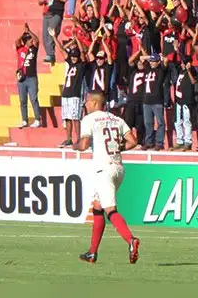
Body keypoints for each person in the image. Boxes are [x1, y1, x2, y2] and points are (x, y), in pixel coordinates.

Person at [73, 91, 140, 265]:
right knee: (97, 206)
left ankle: (131, 240)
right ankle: (92, 253)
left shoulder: (89, 120)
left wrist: (74, 145)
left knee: (110, 210)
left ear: (95, 103)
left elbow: (84, 144)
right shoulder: (117, 119)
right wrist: (118, 149)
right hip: (118, 168)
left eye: (87, 102)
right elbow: (133, 141)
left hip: (104, 170)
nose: (85, 105)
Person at [14, 25, 40, 129]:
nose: (31, 42)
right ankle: (24, 120)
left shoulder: (34, 49)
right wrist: (23, 33)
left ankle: (37, 119)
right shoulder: (20, 49)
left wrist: (30, 31)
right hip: (21, 78)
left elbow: (37, 40)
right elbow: (17, 41)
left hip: (32, 78)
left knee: (34, 99)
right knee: (22, 100)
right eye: (29, 40)